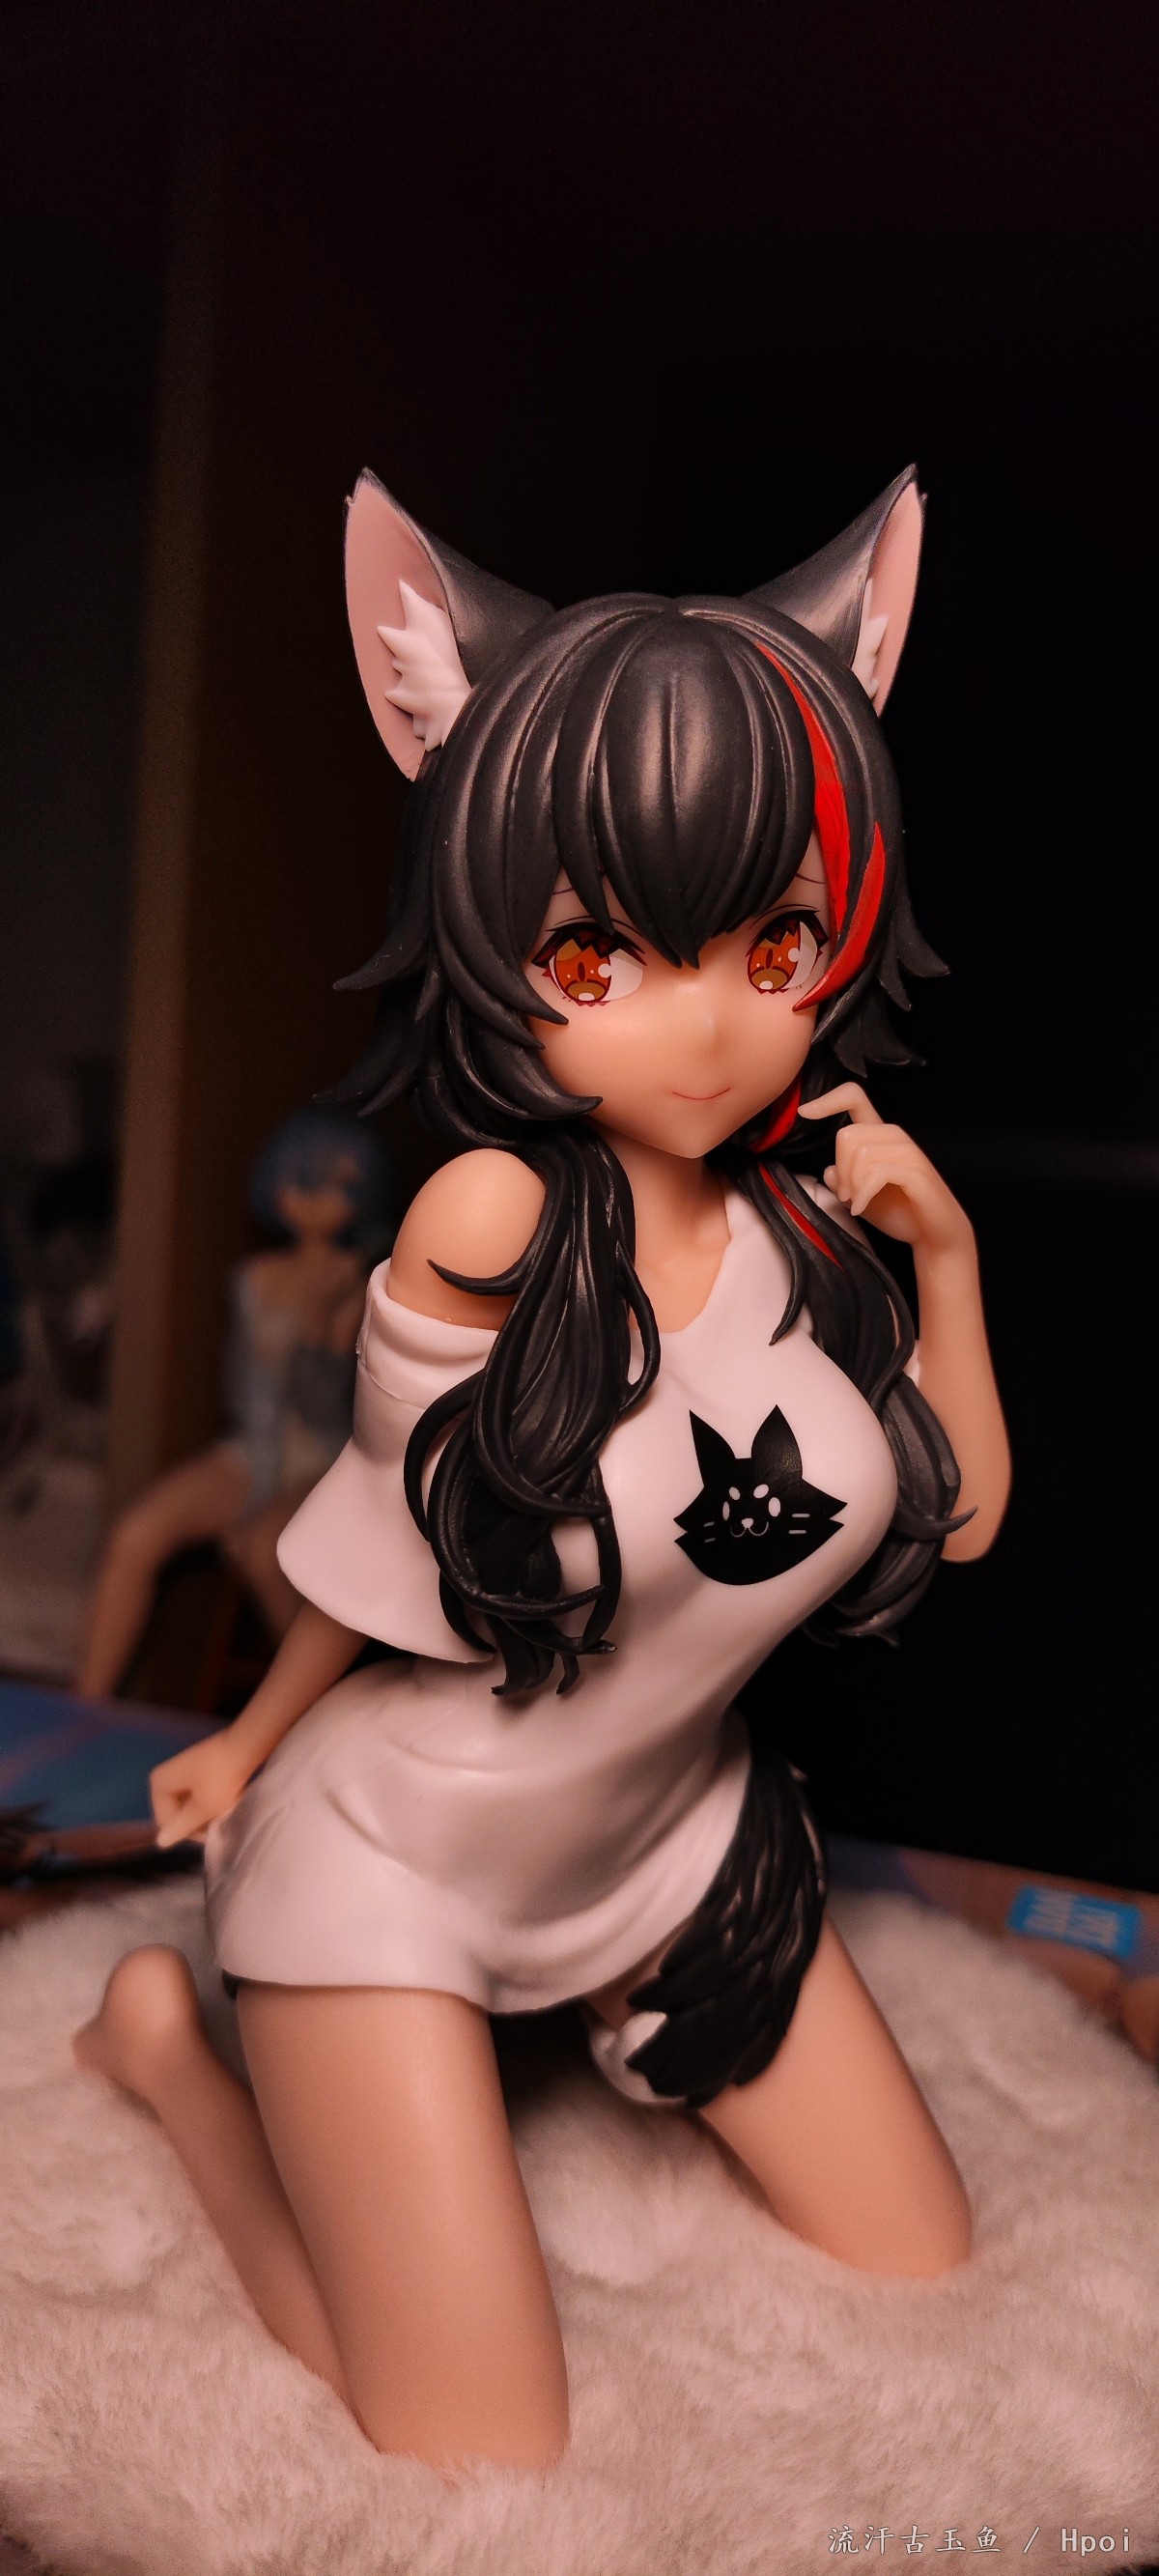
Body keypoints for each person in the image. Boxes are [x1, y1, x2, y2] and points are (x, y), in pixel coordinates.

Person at [73, 467, 1010, 2476]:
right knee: (475, 2444)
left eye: (777, 941)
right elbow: (377, 1541)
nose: (709, 1031)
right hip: (404, 1860)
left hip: (679, 1840)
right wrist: (248, 1743)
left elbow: (959, 1511)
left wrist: (945, 1264)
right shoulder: (493, 1222)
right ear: (504, 950)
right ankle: (170, 2060)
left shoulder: (821, 1229)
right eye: (601, 962)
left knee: (931, 2256)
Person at [75, 1108, 392, 1699]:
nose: (316, 1201)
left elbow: (329, 1402)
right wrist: (252, 1488)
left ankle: (322, 1709)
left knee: (264, 1552)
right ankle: (85, 1708)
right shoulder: (252, 1278)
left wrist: (326, 1317)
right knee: (136, 1534)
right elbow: (244, 1391)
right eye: (302, 1181)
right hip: (256, 1448)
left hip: (326, 1455)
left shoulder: (361, 1283)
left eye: (340, 1186)